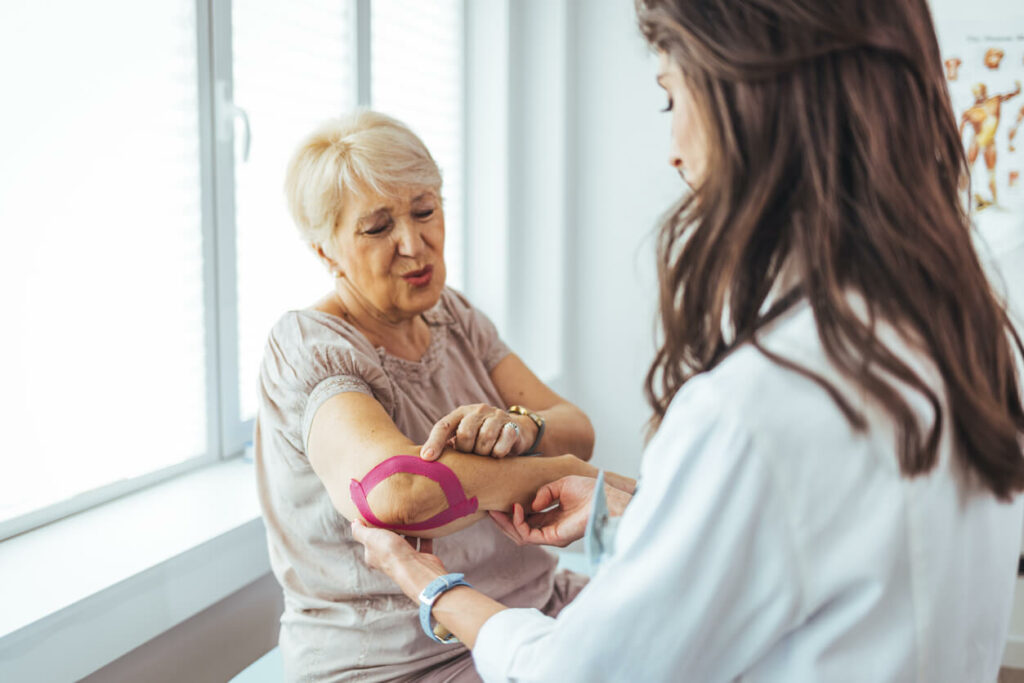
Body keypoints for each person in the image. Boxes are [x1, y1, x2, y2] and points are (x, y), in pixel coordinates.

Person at [352, 1, 1024, 681]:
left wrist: (427, 582)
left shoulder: (758, 406)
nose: (673, 149)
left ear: (752, 102)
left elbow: (576, 674)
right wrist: (642, 514)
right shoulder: (960, 333)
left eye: (671, 97)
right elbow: (828, 546)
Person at [255, 110, 633, 682]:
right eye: (378, 228)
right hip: (402, 658)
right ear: (325, 252)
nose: (414, 244)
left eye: (425, 211)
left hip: (531, 605)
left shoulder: (450, 313)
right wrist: (560, 470)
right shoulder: (309, 345)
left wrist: (521, 429)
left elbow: (575, 424)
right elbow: (398, 492)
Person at [960, 81, 1021, 208]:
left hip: (989, 142)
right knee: (968, 169)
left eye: (981, 91)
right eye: (976, 93)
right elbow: (961, 127)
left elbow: (1009, 96)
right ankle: (962, 198)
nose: (979, 95)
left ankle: (995, 200)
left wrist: (1017, 90)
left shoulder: (994, 101)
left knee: (991, 172)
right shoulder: (971, 111)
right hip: (975, 141)